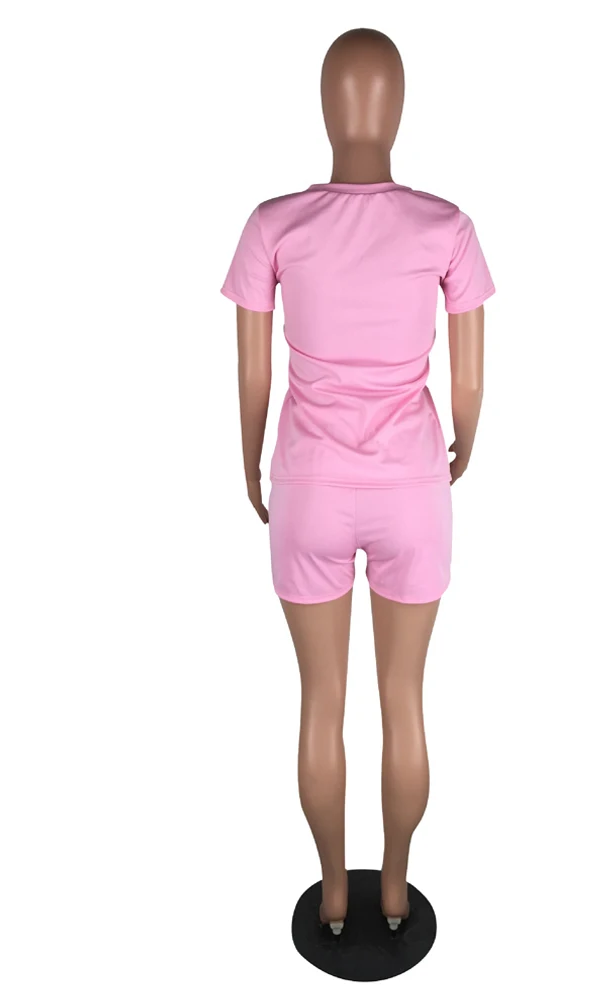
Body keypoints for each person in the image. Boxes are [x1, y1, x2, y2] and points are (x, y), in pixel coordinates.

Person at [220, 27, 495, 936]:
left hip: (308, 487)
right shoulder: (446, 227)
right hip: (414, 488)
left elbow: (253, 372)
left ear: (327, 106)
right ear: (397, 108)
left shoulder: (274, 225)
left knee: (320, 703)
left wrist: (247, 456)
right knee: (405, 701)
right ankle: (396, 889)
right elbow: (468, 379)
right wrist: (466, 442)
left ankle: (335, 894)